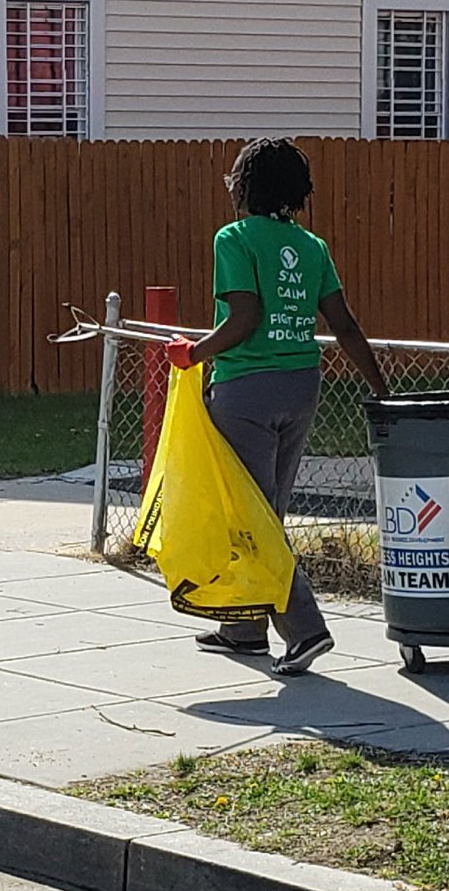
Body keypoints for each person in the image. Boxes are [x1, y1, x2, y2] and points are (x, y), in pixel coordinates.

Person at [165, 137, 388, 676]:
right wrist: (380, 387)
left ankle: (307, 631)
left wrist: (192, 353)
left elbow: (243, 318)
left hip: (246, 390)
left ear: (243, 186)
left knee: (251, 515)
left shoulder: (234, 239)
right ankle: (242, 630)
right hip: (301, 386)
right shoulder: (312, 247)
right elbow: (345, 325)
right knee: (266, 507)